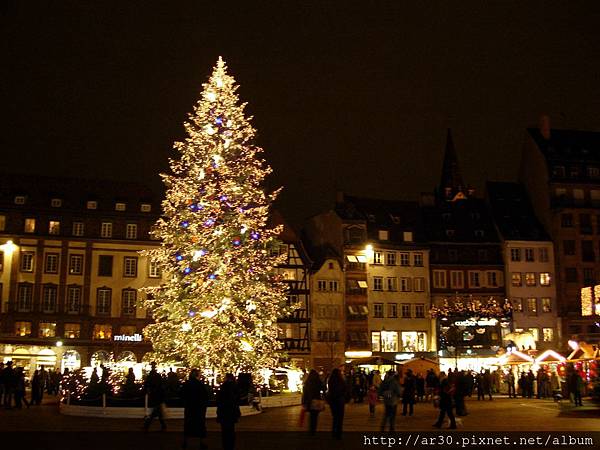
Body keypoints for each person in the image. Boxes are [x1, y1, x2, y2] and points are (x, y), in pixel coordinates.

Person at [182, 369, 209, 449]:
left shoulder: (187, 384)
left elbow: (182, 395)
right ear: (198, 375)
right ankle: (201, 442)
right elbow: (205, 396)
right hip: (199, 408)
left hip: (189, 408)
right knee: (200, 425)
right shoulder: (200, 385)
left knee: (188, 424)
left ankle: (185, 441)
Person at [216, 373, 241, 450]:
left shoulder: (224, 387)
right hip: (232, 411)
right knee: (231, 429)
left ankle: (226, 445)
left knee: (225, 430)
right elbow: (237, 398)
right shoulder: (235, 387)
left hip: (224, 411)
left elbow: (220, 399)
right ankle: (231, 445)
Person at [143, 362, 167, 431]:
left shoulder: (151, 376)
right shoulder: (157, 376)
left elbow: (147, 385)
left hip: (154, 395)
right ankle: (162, 425)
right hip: (157, 395)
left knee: (155, 412)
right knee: (157, 412)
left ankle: (147, 425)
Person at [327, 368, 349, 439]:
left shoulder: (330, 380)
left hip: (333, 400)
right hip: (340, 400)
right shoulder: (341, 380)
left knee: (335, 417)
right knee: (340, 418)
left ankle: (334, 432)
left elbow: (330, 390)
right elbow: (345, 389)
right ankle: (339, 433)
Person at [302, 369, 324, 435]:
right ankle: (314, 429)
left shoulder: (307, 382)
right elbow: (323, 388)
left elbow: (305, 392)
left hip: (309, 400)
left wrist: (303, 401)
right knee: (315, 416)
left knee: (311, 415)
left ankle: (311, 429)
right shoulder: (318, 381)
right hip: (317, 400)